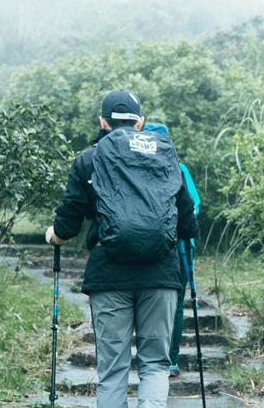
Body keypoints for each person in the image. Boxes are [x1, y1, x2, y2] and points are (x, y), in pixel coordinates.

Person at [45, 90, 198, 408]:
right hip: (160, 274)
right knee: (155, 364)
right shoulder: (167, 157)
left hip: (109, 273)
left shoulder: (88, 160)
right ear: (140, 123)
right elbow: (187, 225)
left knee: (112, 371)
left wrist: (53, 236)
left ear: (103, 122)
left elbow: (67, 225)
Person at [143, 123, 201, 378]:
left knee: (175, 303)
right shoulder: (145, 168)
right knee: (162, 303)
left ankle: (171, 359)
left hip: (178, 248)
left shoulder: (179, 169)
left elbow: (194, 207)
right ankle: (161, 358)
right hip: (156, 247)